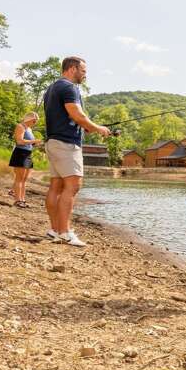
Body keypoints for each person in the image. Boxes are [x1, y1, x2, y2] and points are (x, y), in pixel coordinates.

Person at [43, 57, 111, 246]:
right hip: (66, 144)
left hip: (54, 142)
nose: (85, 75)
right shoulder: (69, 87)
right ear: (72, 69)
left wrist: (86, 126)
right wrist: (98, 128)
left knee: (56, 187)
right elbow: (77, 114)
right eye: (83, 71)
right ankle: (64, 232)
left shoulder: (52, 88)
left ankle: (55, 229)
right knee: (72, 187)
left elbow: (69, 116)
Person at [8, 112, 43, 208]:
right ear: (29, 119)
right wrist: (34, 141)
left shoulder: (29, 129)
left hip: (28, 154)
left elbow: (30, 143)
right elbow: (19, 141)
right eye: (34, 121)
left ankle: (22, 200)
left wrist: (38, 144)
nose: (35, 123)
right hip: (20, 153)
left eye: (36, 121)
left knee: (24, 179)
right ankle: (17, 200)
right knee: (19, 179)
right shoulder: (20, 126)